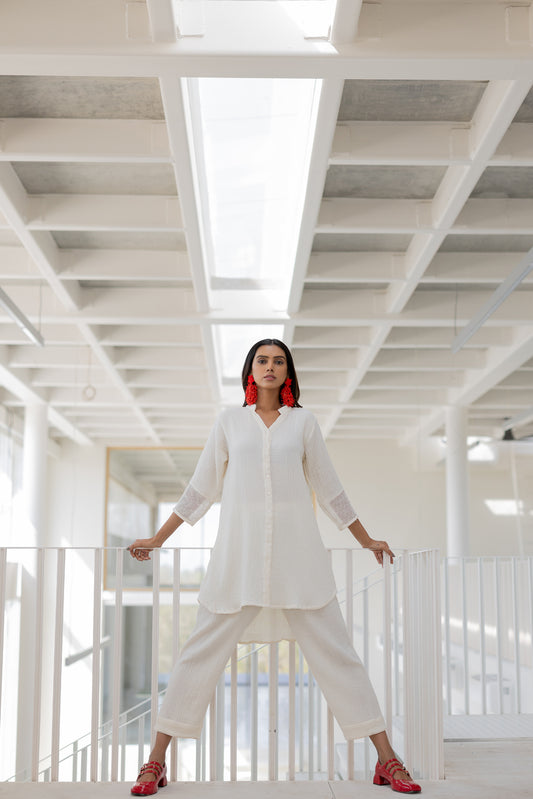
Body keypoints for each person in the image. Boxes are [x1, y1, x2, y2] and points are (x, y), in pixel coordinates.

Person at [128, 339, 421, 795]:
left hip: (299, 563)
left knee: (340, 657)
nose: (270, 366)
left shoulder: (303, 423)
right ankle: (155, 761)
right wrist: (157, 539)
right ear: (250, 370)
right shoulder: (230, 422)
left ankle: (387, 760)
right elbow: (200, 489)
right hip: (237, 563)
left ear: (288, 372)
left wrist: (366, 540)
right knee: (195, 658)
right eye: (262, 360)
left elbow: (329, 488)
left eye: (278, 361)